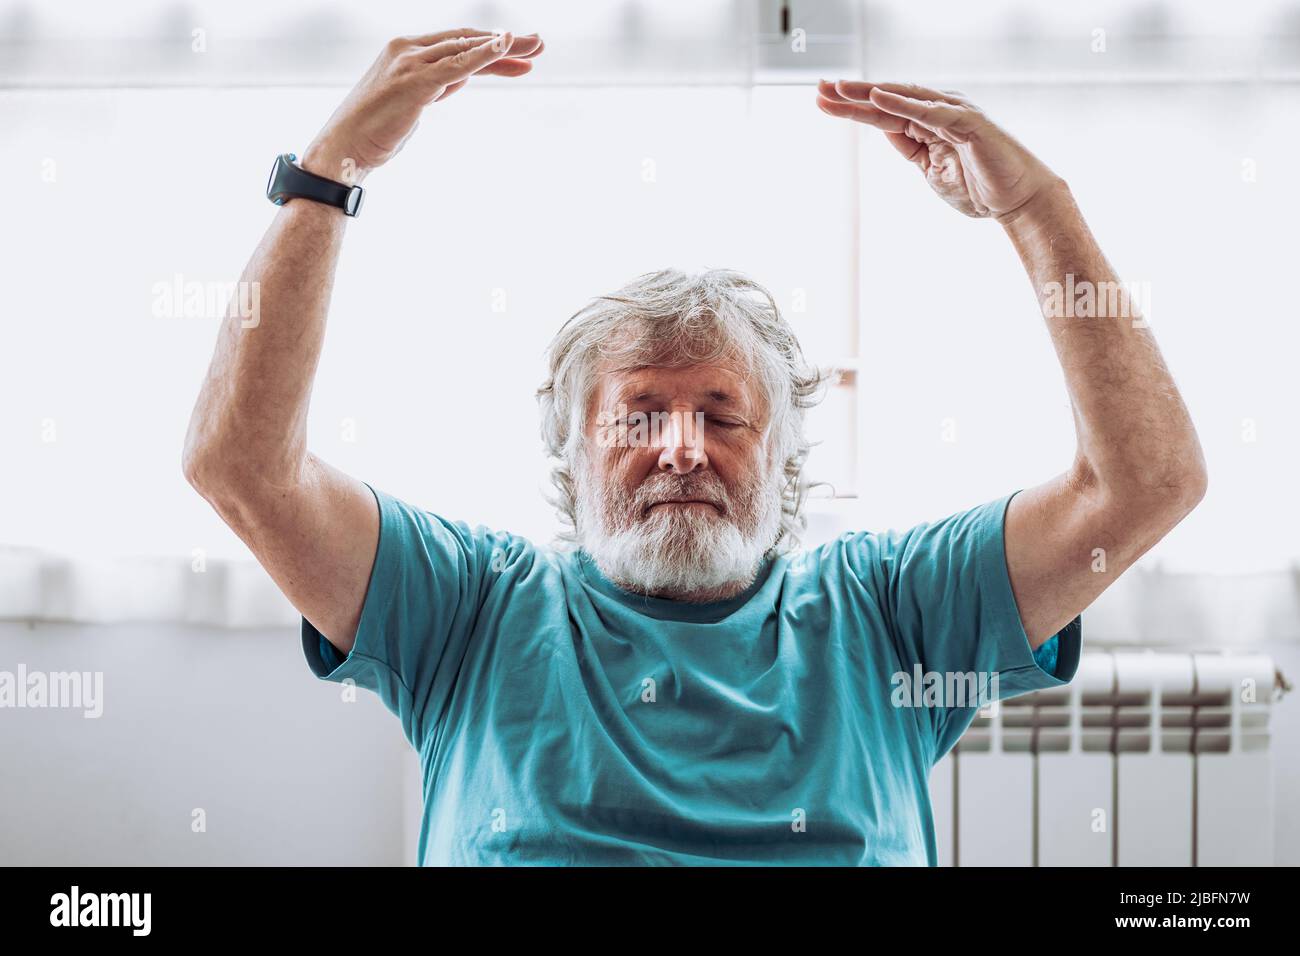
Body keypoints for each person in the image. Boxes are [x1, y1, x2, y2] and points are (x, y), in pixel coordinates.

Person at [182, 28, 1206, 865]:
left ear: (783, 460)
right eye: (637, 415)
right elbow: (241, 468)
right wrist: (324, 178)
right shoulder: (470, 606)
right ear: (571, 457)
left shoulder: (891, 613)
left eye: (721, 414)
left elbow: (1146, 482)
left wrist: (1037, 208)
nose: (680, 449)